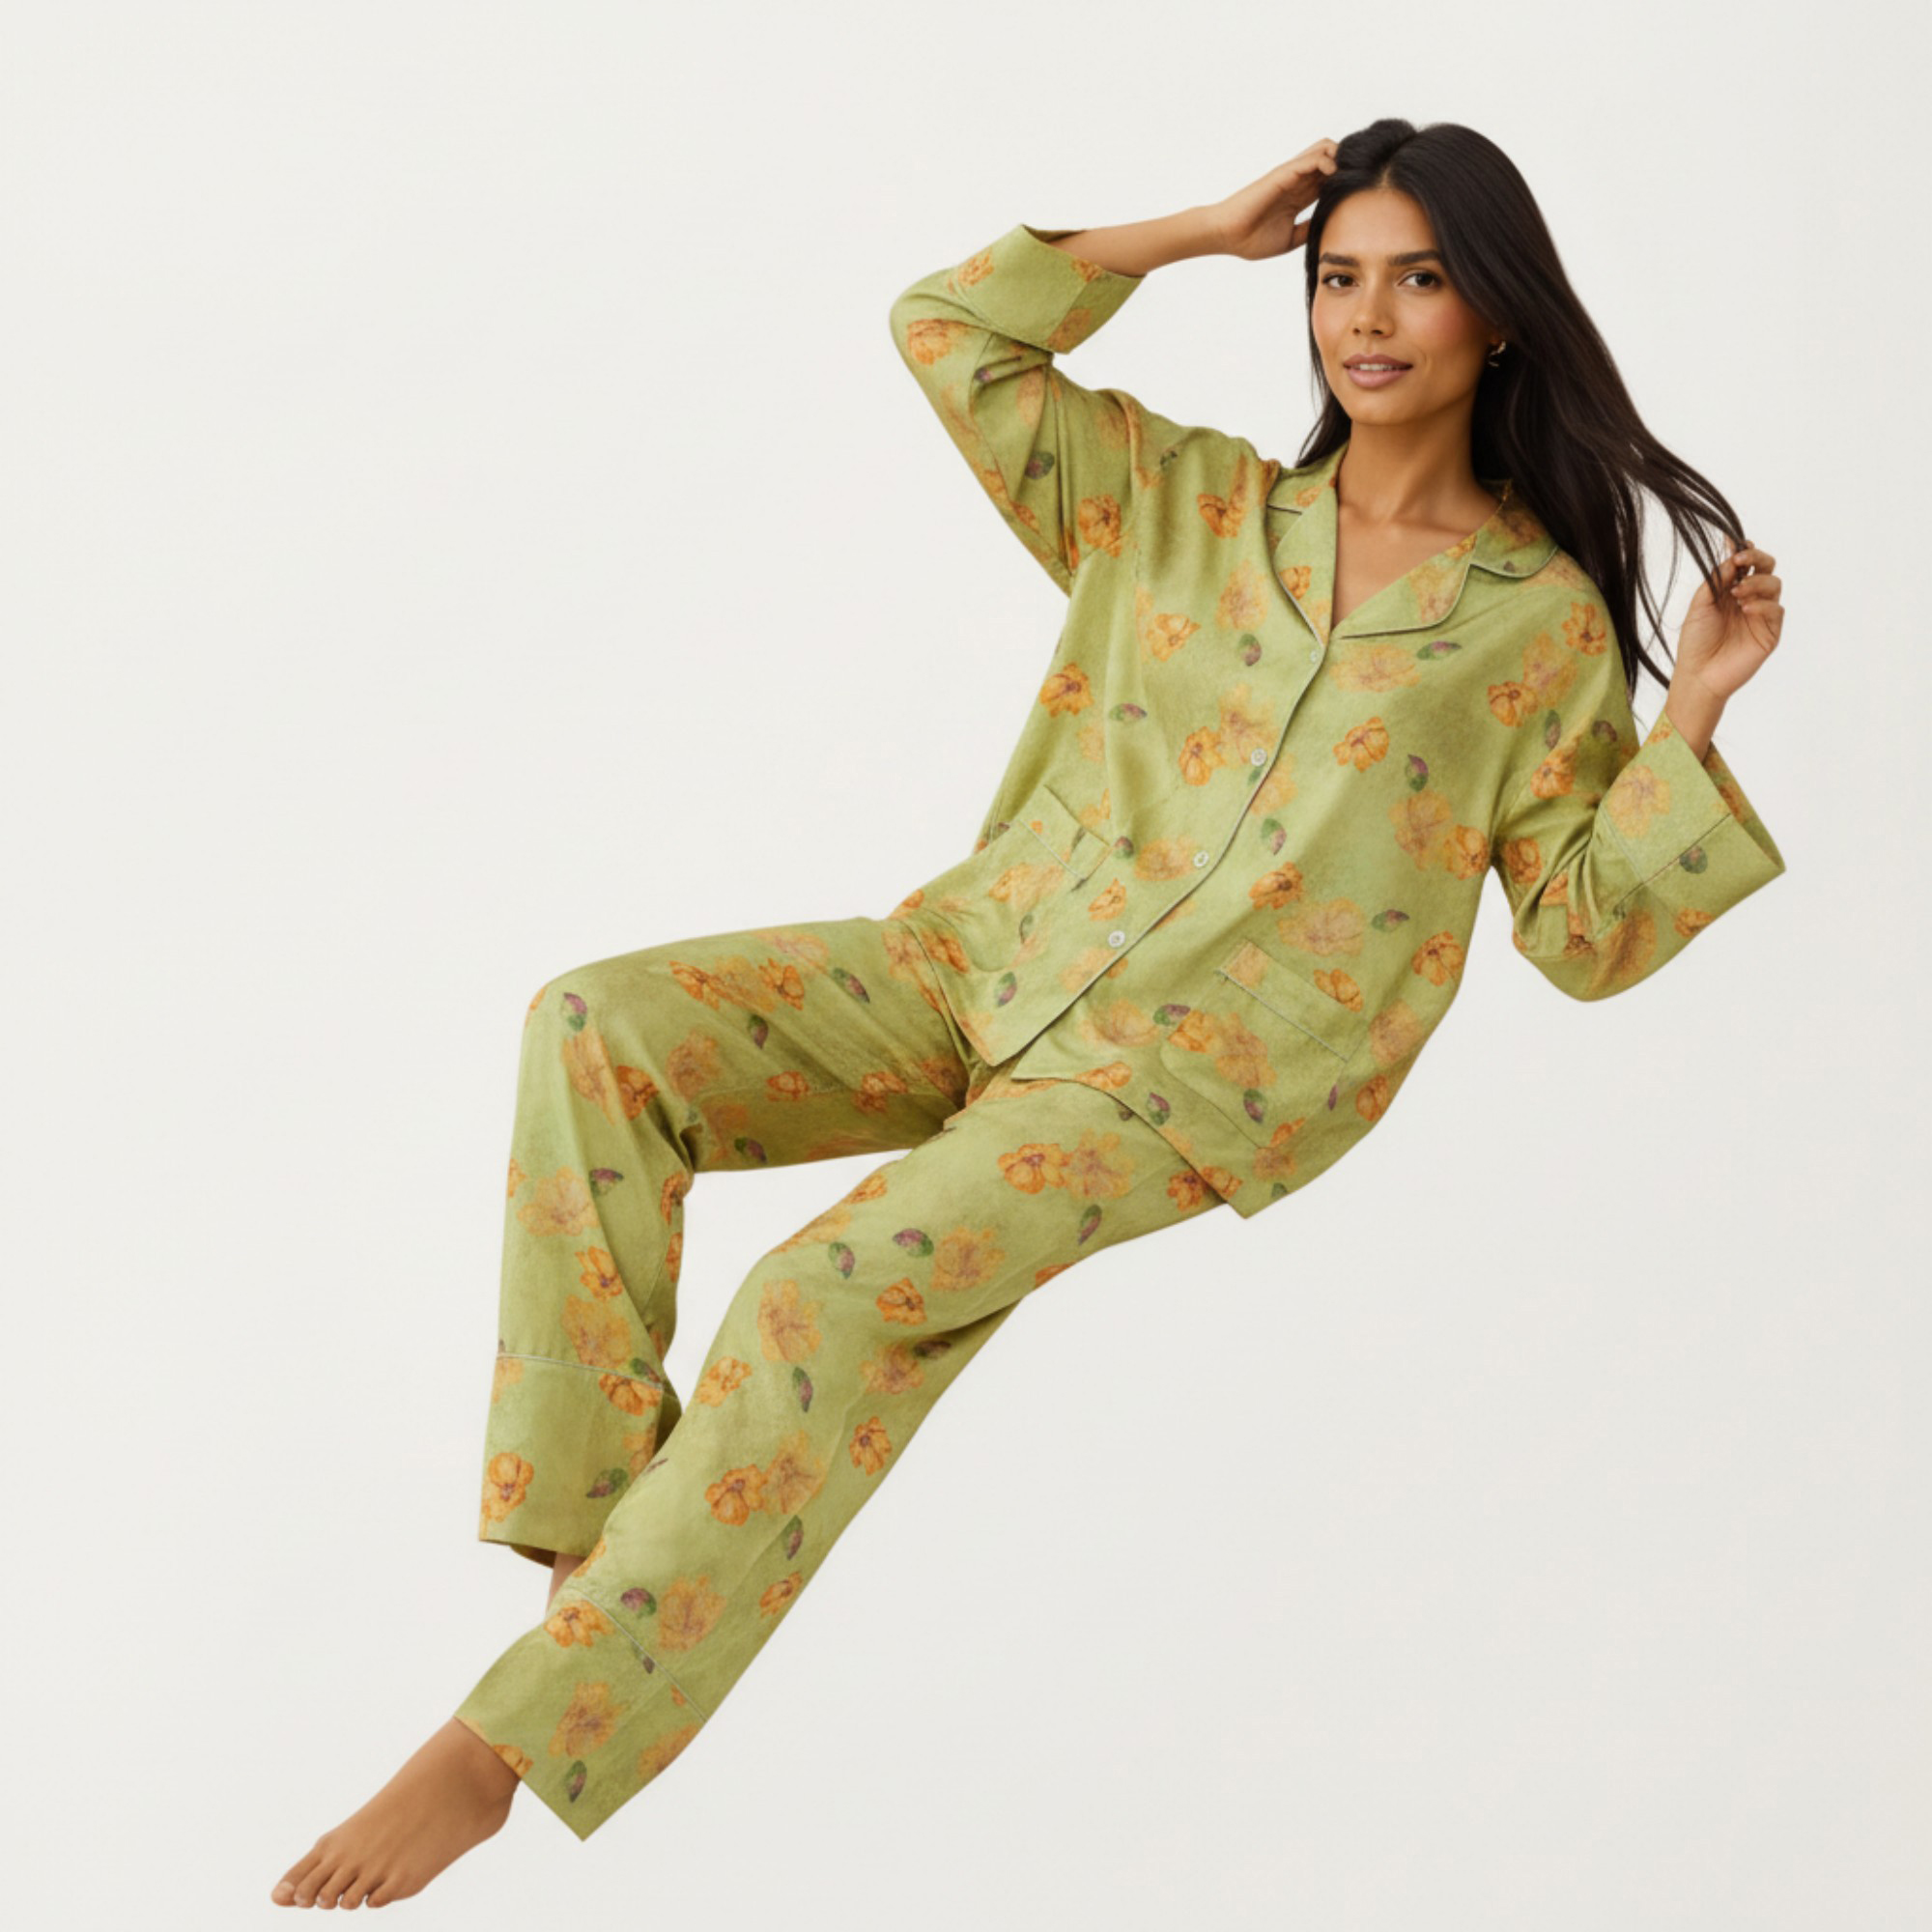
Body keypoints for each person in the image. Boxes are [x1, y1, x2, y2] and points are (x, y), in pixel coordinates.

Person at [270, 121, 1787, 1907]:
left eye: (1421, 279)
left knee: (827, 1296)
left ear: (1501, 312)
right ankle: (595, 1580)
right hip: (980, 955)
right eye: (1338, 278)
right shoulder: (1182, 503)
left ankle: (503, 1750)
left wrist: (1691, 713)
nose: (1367, 318)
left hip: (1180, 1081)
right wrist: (1197, 229)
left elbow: (1587, 935)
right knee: (599, 1027)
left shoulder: (1535, 627)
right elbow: (947, 331)